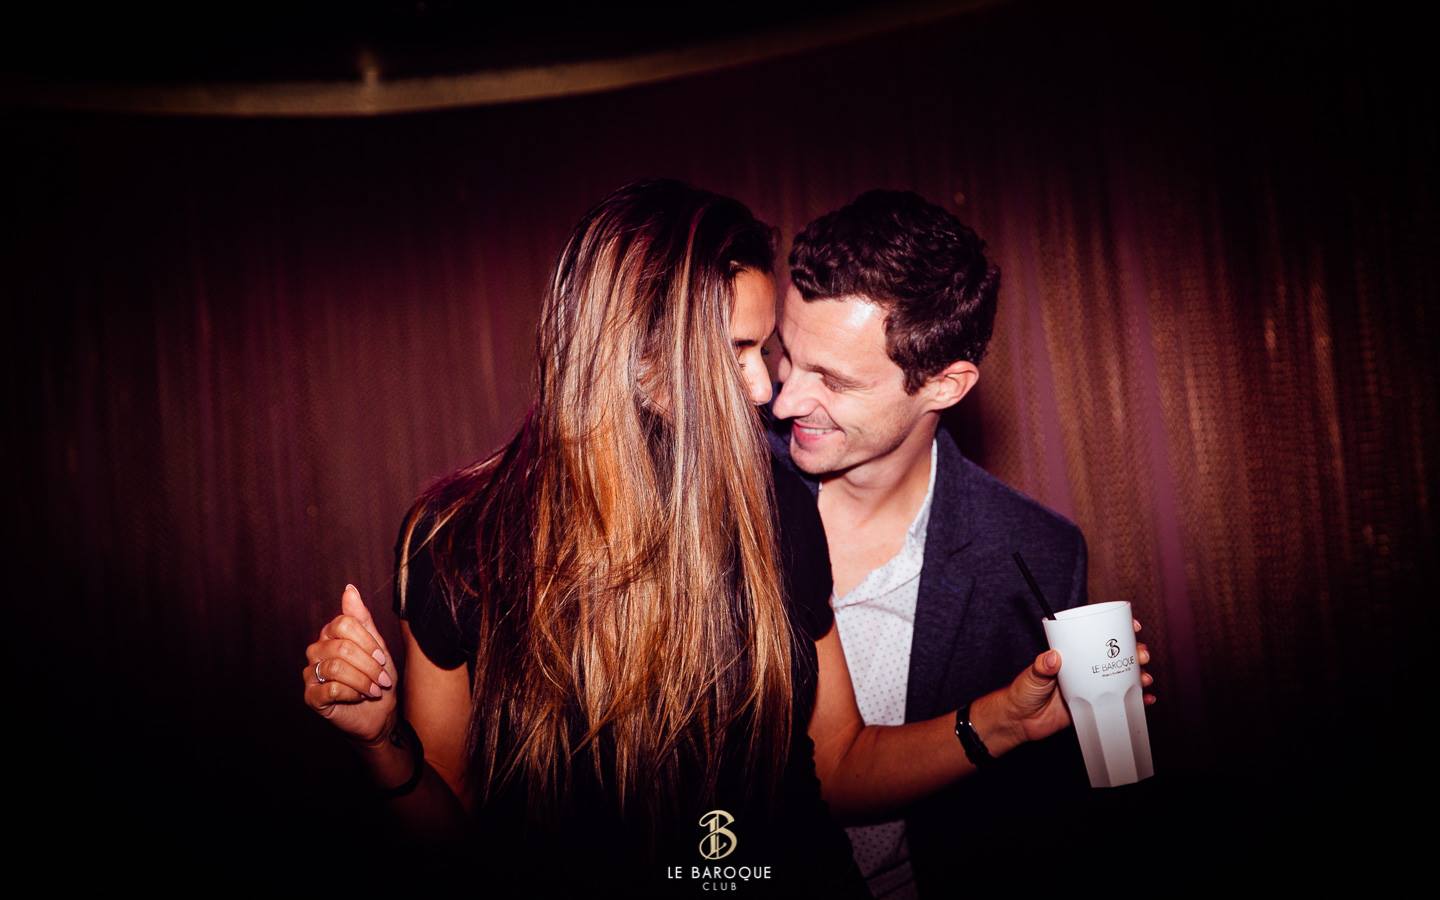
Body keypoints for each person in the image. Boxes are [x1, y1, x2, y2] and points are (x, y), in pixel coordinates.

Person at [301, 179, 1152, 897]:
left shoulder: (770, 502)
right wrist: (381, 743)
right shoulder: (457, 538)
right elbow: (452, 829)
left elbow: (836, 763)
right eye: (744, 351)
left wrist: (1006, 721)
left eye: (767, 351)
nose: (769, 392)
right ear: (638, 352)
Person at [766, 188, 1157, 897]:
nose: (783, 398)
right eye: (787, 355)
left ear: (944, 385)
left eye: (833, 380)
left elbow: (1044, 819)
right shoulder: (725, 484)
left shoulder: (1033, 552)